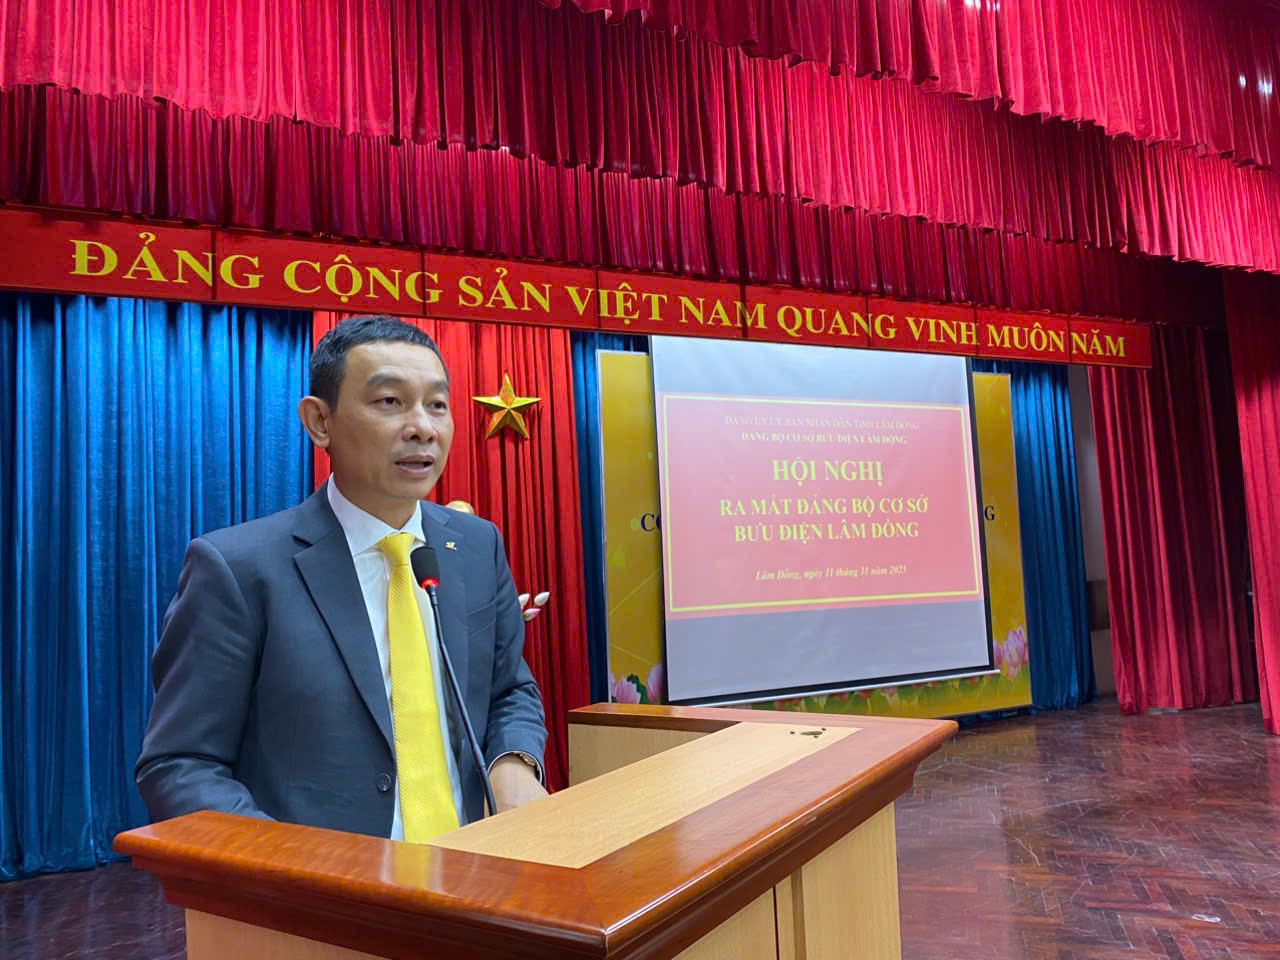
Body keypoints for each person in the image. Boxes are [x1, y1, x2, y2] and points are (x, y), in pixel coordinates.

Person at [135, 314, 547, 841]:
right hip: (321, 885)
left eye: (437, 405)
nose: (422, 427)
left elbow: (509, 689)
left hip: (475, 866)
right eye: (390, 401)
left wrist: (512, 765)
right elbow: (180, 764)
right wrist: (294, 868)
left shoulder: (475, 545)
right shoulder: (237, 568)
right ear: (319, 422)